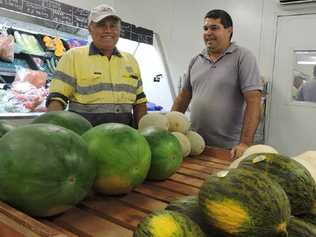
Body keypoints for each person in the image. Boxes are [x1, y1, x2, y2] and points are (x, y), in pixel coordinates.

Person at [171, 9, 263, 159]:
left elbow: (254, 101)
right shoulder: (196, 60)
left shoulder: (243, 57)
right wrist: (169, 127)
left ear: (229, 30)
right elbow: (183, 98)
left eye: (214, 28)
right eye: (205, 28)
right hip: (194, 144)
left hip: (228, 149)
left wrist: (245, 143)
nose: (208, 32)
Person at [46, 4, 147, 127]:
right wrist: (53, 130)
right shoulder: (73, 57)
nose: (108, 30)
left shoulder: (131, 61)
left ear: (119, 30)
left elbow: (140, 102)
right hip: (85, 138)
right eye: (101, 25)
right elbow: (57, 99)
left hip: (125, 138)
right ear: (90, 28)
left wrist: (144, 131)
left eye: (113, 26)